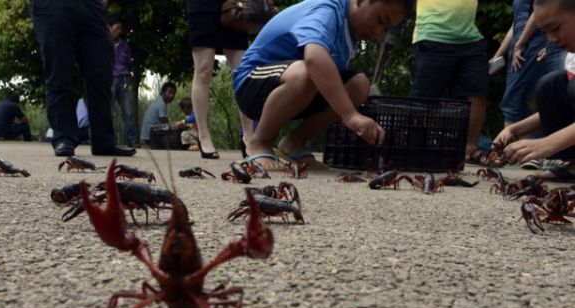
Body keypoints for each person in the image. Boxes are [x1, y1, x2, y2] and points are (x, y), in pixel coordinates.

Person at [233, 0, 412, 170]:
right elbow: (314, 58)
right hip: (252, 82)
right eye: (380, 21)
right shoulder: (328, 9)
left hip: (293, 88)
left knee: (359, 84)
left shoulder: (350, 31)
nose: (378, 32)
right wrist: (350, 115)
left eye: (386, 29)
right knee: (310, 71)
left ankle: (294, 142)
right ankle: (259, 142)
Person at [29, 0, 135, 157]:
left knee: (101, 70)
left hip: (91, 5)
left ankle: (103, 140)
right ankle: (63, 138)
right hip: (51, 5)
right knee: (58, 71)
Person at [492, 0, 575, 180]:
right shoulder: (572, 57)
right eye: (545, 32)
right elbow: (566, 102)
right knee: (552, 84)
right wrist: (515, 130)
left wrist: (546, 144)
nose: (551, 39)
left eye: (555, 28)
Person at [409, 0, 489, 165]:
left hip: (470, 37)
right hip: (433, 33)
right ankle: (415, 148)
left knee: (477, 94)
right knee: (424, 100)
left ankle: (470, 148)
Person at [186, 0, 255, 159]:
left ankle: (249, 137)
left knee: (243, 69)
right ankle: (204, 136)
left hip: (233, 3)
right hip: (202, 6)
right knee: (203, 69)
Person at [108, 16, 139, 148]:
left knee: (129, 111)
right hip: (110, 78)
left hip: (124, 78)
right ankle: (110, 139)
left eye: (121, 28)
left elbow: (129, 61)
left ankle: (131, 139)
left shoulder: (125, 45)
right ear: (109, 28)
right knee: (109, 111)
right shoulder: (103, 43)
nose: (119, 31)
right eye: (117, 28)